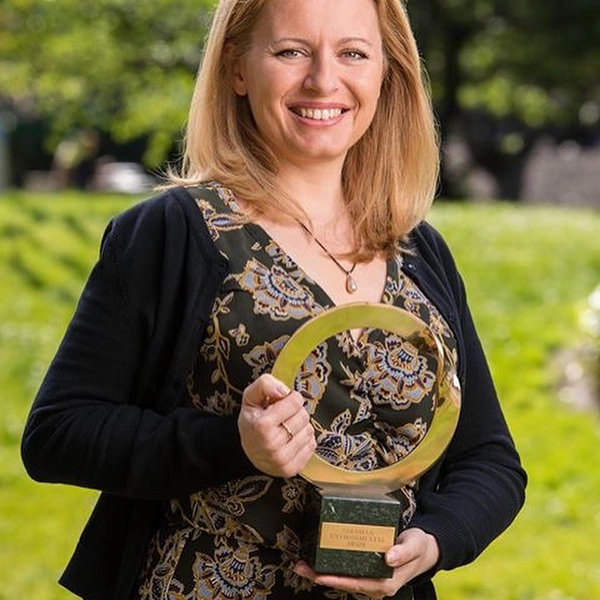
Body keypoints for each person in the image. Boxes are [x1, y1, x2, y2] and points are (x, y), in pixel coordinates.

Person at [21, 1, 527, 599]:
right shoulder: (174, 232)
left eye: (353, 53)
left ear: (386, 73)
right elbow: (58, 434)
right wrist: (231, 443)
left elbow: (490, 460)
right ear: (237, 68)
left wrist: (433, 541)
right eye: (291, 51)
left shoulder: (420, 251)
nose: (323, 80)